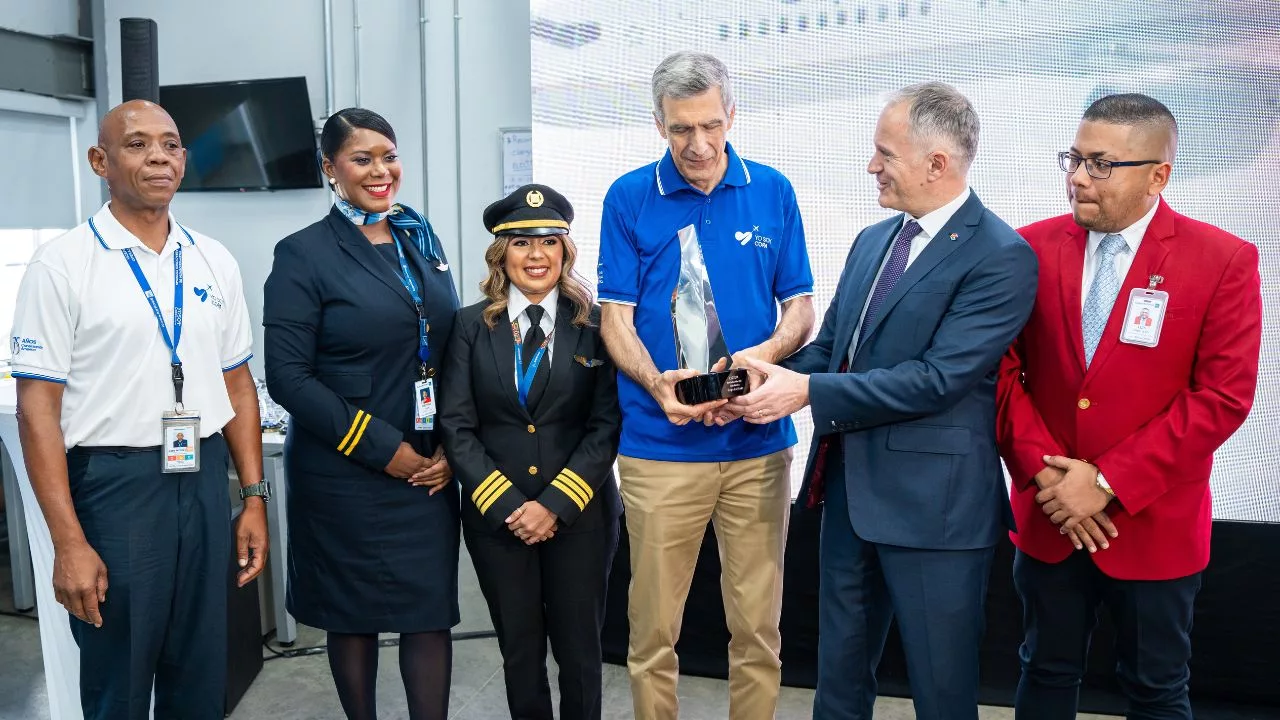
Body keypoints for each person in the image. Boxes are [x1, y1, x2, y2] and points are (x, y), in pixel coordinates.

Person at [733, 82, 1037, 720]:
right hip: (850, 499)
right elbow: (833, 350)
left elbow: (937, 379)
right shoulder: (874, 240)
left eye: (886, 154)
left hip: (936, 515)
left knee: (942, 694)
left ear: (937, 163)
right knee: (838, 688)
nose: (872, 166)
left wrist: (806, 391)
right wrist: (761, 376)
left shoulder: (1002, 256)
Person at [996, 93, 1262, 720]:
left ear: (1158, 176)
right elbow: (1000, 375)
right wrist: (1051, 481)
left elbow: (1222, 396)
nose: (1078, 177)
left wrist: (1106, 483)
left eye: (1101, 164)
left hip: (1153, 523)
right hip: (1050, 518)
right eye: (1074, 158)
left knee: (1156, 688)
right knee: (1044, 671)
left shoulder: (1222, 260)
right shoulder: (1027, 249)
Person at [10, 99, 268, 719]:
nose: (159, 156)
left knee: (201, 672)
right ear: (100, 161)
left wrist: (253, 497)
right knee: (118, 678)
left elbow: (237, 387)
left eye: (171, 144)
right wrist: (68, 542)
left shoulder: (212, 259)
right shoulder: (62, 265)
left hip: (201, 476)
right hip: (113, 486)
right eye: (137, 144)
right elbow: (36, 411)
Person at [597, 51, 815, 720]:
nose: (698, 144)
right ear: (658, 123)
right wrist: (656, 383)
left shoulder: (773, 189)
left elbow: (800, 309)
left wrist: (761, 358)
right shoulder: (628, 197)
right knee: (652, 635)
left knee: (758, 631)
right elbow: (615, 319)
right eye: (681, 129)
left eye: (711, 125)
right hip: (660, 448)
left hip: (757, 446)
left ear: (732, 115)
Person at [263, 108, 460, 720]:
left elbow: (448, 345)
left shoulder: (419, 237)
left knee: (429, 614)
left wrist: (452, 444)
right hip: (344, 470)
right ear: (330, 169)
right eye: (362, 159)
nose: (381, 171)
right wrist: (382, 449)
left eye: (389, 156)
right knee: (352, 617)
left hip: (427, 466)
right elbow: (288, 376)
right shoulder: (303, 253)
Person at [440, 183, 622, 720]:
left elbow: (606, 424)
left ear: (566, 251)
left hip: (581, 518)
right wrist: (510, 507)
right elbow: (456, 425)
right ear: (502, 254)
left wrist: (554, 506)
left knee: (581, 656)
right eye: (521, 242)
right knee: (519, 655)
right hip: (500, 522)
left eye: (548, 241)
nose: (536, 255)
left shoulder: (598, 325)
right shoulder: (470, 325)